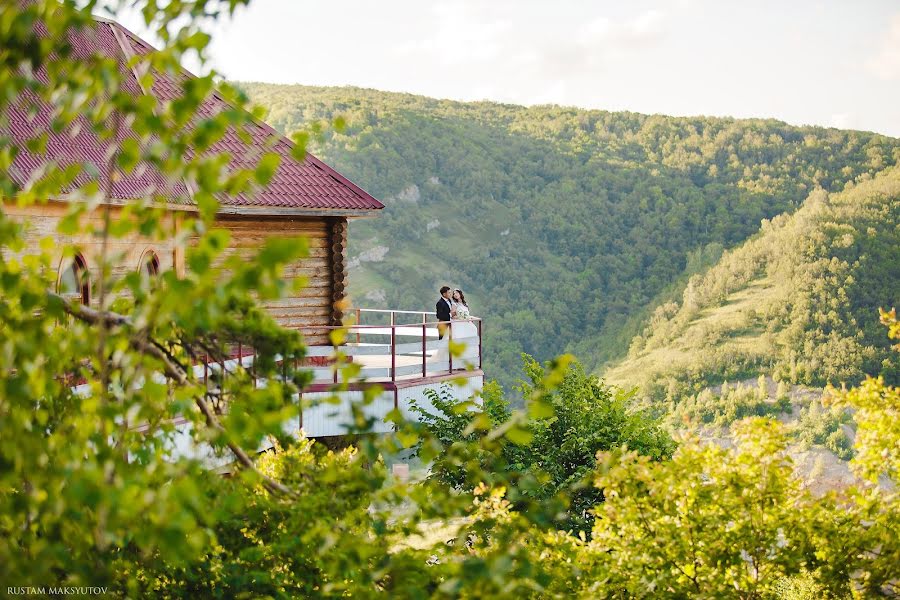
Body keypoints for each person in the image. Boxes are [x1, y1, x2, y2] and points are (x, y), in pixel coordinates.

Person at [450, 288, 478, 365]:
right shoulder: (454, 304)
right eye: (454, 294)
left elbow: (467, 314)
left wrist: (468, 317)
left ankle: (469, 361)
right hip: (459, 324)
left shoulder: (466, 304)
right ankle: (458, 362)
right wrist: (460, 317)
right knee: (460, 340)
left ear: (460, 293)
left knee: (473, 329)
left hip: (466, 323)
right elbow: (452, 316)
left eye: (456, 293)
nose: (455, 294)